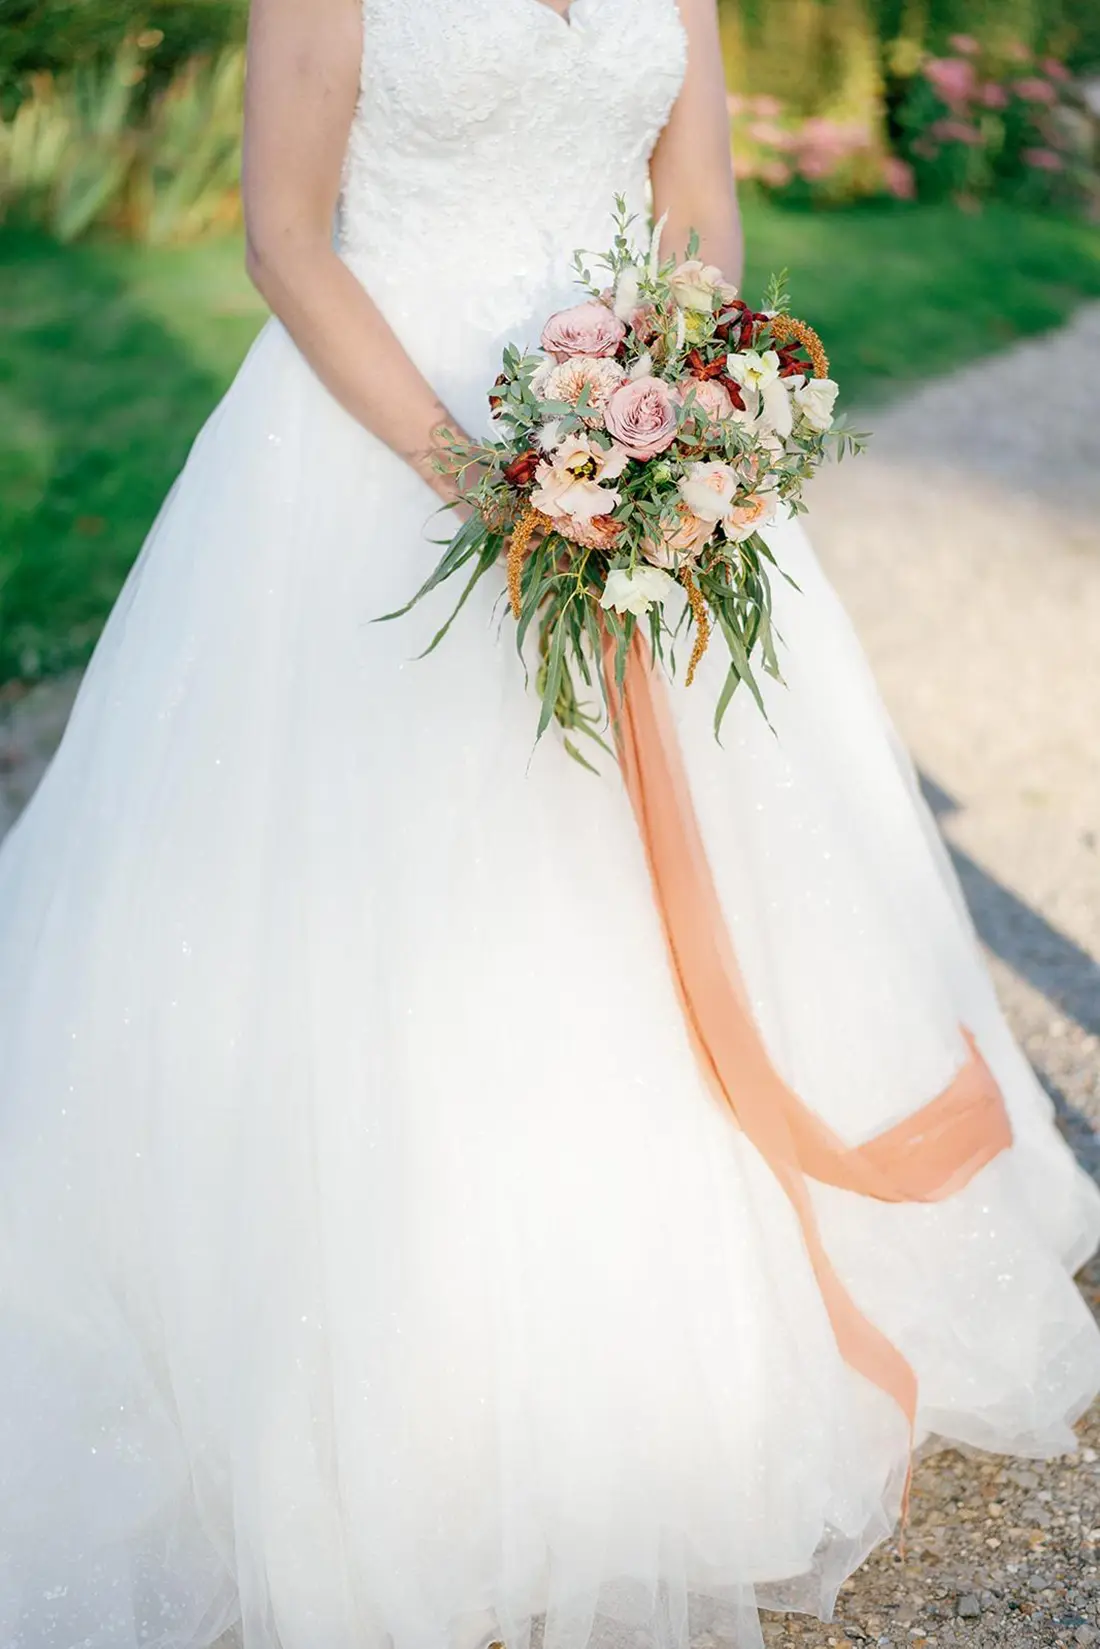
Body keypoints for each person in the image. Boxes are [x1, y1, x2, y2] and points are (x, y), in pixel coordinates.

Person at [0, 2, 1097, 1646]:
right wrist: (493, 485)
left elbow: (698, 196)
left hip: (637, 442)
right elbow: (289, 240)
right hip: (391, 449)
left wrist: (676, 408)